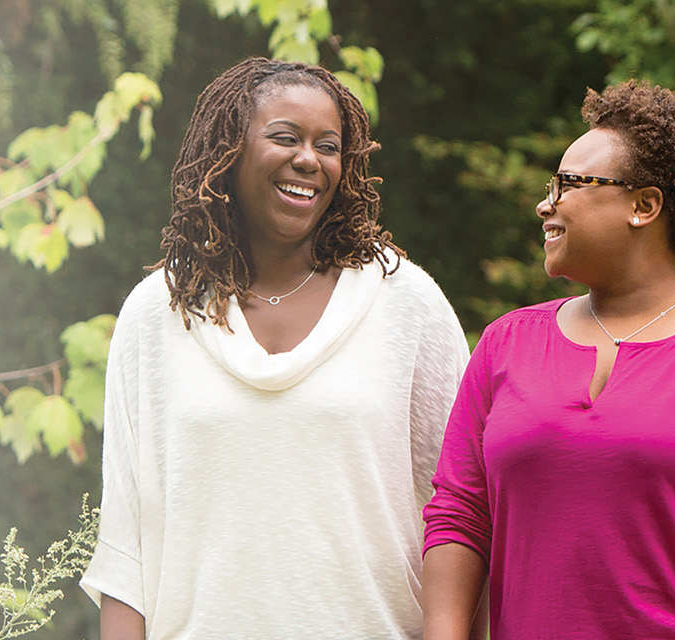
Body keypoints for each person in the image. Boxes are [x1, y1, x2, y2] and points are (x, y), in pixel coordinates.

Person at [80, 57, 470, 639]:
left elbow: (462, 515)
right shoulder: (155, 312)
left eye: (328, 145)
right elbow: (126, 544)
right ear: (227, 155)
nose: (309, 160)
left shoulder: (406, 303)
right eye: (285, 138)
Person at [420, 80, 675, 640]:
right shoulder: (505, 344)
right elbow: (460, 513)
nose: (546, 203)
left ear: (644, 205)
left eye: (568, 185)